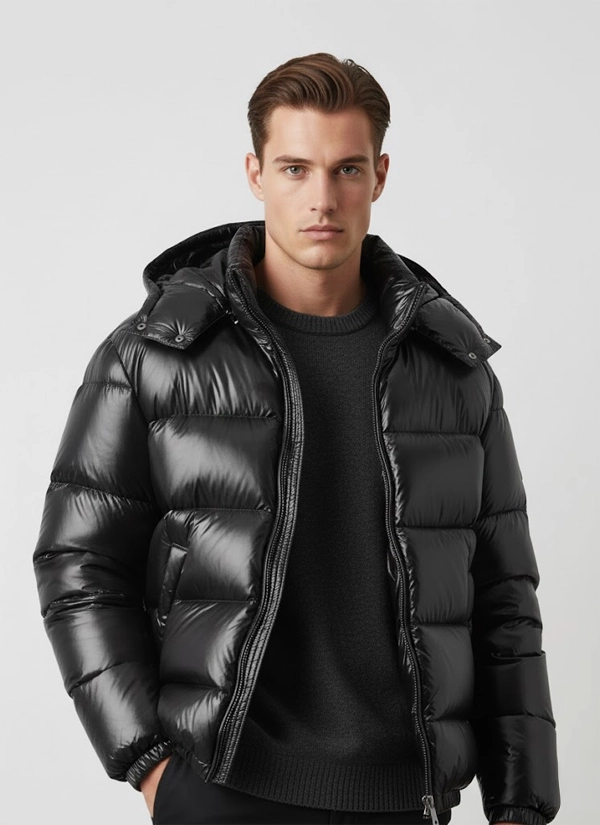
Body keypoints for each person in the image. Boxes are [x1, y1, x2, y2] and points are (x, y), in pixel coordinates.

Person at [32, 52, 560, 825]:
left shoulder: (453, 369)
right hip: (225, 789)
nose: (322, 198)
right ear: (255, 173)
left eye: (347, 169)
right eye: (294, 168)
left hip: (404, 798)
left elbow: (504, 595)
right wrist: (149, 762)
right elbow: (78, 561)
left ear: (380, 175)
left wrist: (521, 804)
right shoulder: (156, 353)